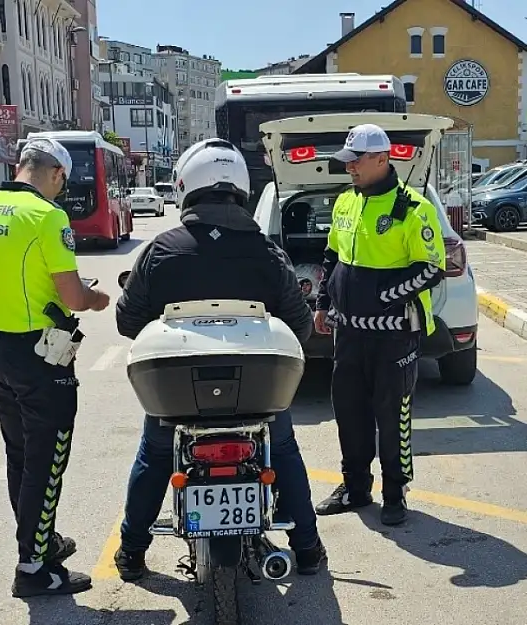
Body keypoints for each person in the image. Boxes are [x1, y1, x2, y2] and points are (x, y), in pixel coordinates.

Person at [113, 138, 327, 581]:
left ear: (186, 187)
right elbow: (299, 328)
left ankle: (132, 552)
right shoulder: (268, 254)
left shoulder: (161, 250)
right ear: (242, 190)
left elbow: (127, 320)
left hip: (177, 395)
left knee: (155, 454)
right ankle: (307, 548)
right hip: (257, 392)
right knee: (282, 450)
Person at [0, 138, 110, 598]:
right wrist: (96, 298)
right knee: (48, 458)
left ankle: (38, 544)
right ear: (57, 174)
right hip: (40, 357)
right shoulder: (47, 217)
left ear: (21, 165)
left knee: (20, 453)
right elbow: (75, 297)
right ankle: (33, 568)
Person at [313, 124, 447, 527]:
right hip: (349, 332)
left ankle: (394, 493)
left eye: (356, 161)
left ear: (382, 159)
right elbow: (332, 256)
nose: (349, 167)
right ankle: (355, 487)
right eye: (348, 161)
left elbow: (431, 269)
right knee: (349, 412)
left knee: (392, 415)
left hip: (394, 333)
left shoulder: (413, 207)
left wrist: (381, 297)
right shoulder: (345, 203)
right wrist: (323, 302)